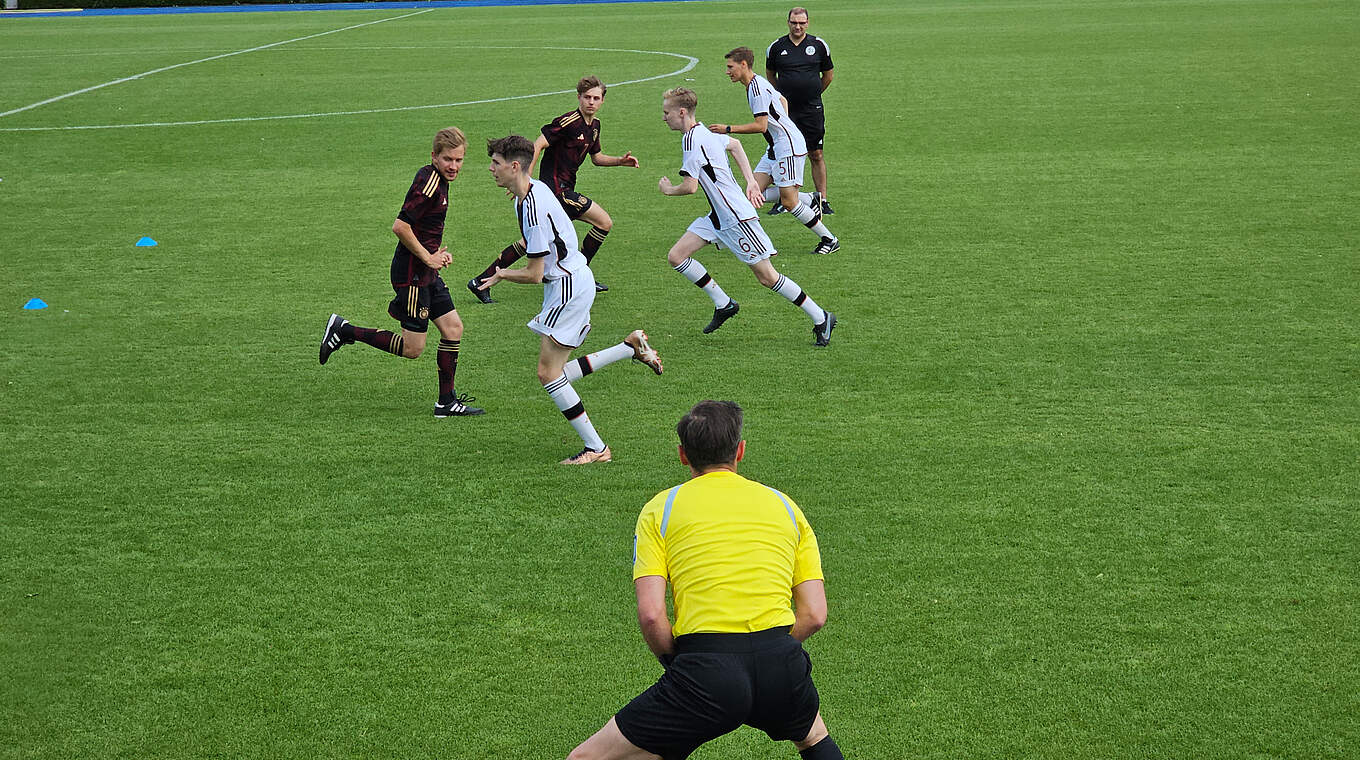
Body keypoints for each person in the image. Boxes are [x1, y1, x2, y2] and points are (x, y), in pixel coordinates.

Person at [567, 400, 847, 760]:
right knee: (813, 737)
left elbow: (652, 615)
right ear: (740, 451)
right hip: (781, 664)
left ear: (683, 455)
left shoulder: (660, 510)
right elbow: (815, 615)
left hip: (707, 670)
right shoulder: (785, 506)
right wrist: (766, 653)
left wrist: (679, 663)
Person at [478, 135, 663, 465]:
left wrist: (502, 273)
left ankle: (596, 448)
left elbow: (534, 274)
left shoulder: (531, 207)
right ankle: (630, 347)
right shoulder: (533, 190)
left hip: (567, 288)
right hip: (573, 280)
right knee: (557, 372)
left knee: (548, 374)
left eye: (495, 163)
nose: (491, 169)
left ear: (515, 166)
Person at [318, 127, 484, 418]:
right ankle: (345, 330)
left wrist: (435, 254)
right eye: (448, 159)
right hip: (412, 276)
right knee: (412, 348)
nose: (454, 166)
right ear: (434, 156)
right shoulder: (429, 182)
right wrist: (428, 257)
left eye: (459, 160)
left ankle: (446, 402)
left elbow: (422, 227)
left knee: (453, 328)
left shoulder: (440, 181)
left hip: (426, 271)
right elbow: (401, 226)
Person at [659, 88, 836, 347]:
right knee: (677, 256)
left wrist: (668, 190)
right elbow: (735, 145)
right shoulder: (704, 132)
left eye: (667, 112)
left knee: (768, 277)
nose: (664, 117)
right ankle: (724, 304)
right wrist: (751, 181)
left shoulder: (692, 141)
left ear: (682, 112)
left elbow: (690, 186)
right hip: (718, 217)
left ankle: (821, 316)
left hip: (736, 219)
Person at [467, 75, 640, 303]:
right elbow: (538, 144)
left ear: (602, 101)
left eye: (596, 98)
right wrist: (525, 177)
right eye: (587, 97)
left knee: (530, 242)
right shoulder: (568, 122)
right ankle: (581, 274)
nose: (591, 102)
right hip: (556, 191)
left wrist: (620, 161)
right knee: (604, 222)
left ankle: (480, 281)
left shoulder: (594, 127)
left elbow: (596, 158)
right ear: (578, 97)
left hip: (563, 189)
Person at [707, 47, 839, 256]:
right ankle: (809, 200)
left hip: (788, 147)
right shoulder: (756, 83)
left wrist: (728, 129)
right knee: (751, 193)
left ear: (743, 64)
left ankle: (829, 239)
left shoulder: (757, 89)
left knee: (789, 202)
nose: (727, 71)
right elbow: (782, 100)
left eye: (730, 67)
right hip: (776, 147)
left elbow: (761, 126)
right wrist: (782, 125)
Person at [766, 7, 835, 215]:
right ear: (788, 22)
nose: (798, 26)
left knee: (816, 153)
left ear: (808, 23)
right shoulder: (776, 47)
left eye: (802, 23)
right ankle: (784, 198)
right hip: (785, 112)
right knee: (783, 153)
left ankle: (822, 200)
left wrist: (813, 93)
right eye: (794, 22)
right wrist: (781, 98)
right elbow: (770, 75)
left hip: (811, 109)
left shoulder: (819, 45)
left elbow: (828, 75)